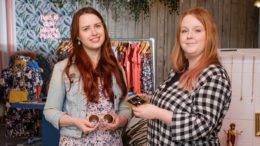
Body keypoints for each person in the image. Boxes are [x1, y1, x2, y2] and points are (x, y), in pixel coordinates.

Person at [132, 7, 231, 145]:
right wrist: (150, 99)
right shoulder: (179, 70)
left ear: (209, 36)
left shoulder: (214, 75)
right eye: (184, 31)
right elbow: (177, 103)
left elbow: (203, 124)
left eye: (197, 30)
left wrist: (156, 112)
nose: (189, 36)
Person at [43, 7, 131, 146]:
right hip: (75, 142)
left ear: (104, 29)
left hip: (112, 142)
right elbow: (50, 111)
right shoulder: (62, 68)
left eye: (97, 26)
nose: (94, 32)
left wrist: (121, 120)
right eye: (86, 29)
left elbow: (125, 107)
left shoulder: (117, 68)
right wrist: (75, 121)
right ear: (77, 36)